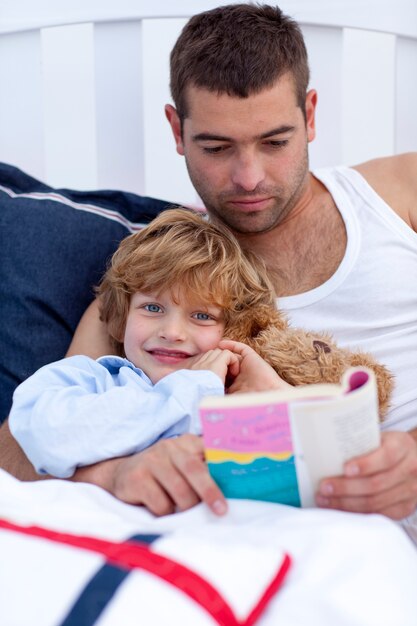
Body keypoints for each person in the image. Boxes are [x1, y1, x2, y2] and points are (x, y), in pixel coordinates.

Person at [1, 3, 417, 521]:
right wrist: (112, 476)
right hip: (285, 544)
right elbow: (16, 449)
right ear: (177, 130)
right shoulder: (155, 291)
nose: (248, 177)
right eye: (217, 147)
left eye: (274, 142)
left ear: (309, 115)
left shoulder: (400, 191)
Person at [8, 208, 287, 491]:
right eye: (153, 308)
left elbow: (305, 459)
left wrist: (274, 389)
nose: (172, 332)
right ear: (122, 317)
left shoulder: (235, 401)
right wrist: (192, 389)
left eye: (202, 316)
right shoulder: (91, 379)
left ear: (233, 331)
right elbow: (49, 434)